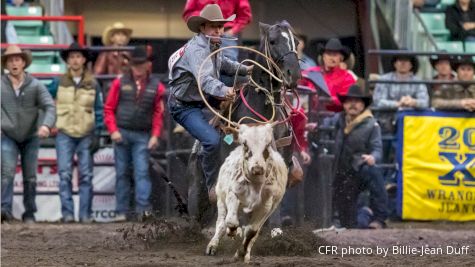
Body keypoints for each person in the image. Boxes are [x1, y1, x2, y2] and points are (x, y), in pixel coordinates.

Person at [168, 4, 252, 199]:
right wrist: (225, 90)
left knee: (235, 114)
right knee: (212, 141)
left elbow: (223, 64)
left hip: (201, 98)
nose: (219, 30)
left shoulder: (213, 45)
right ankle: (212, 184)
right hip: (184, 106)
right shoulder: (197, 50)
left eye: (221, 26)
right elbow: (205, 80)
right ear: (202, 27)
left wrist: (245, 70)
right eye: (214, 26)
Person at [104, 46, 165, 222]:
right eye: (135, 65)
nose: (138, 68)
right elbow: (109, 109)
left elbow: (158, 114)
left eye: (141, 64)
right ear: (131, 66)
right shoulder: (119, 83)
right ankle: (123, 210)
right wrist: (113, 130)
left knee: (140, 172)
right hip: (123, 132)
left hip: (141, 135)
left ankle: (142, 210)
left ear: (147, 65)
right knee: (123, 172)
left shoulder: (157, 87)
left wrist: (155, 135)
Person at [48, 42, 104, 223]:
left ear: (84, 59)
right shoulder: (58, 82)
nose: (75, 60)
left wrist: (98, 133)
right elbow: (44, 100)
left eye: (78, 56)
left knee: (86, 176)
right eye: (72, 57)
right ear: (67, 60)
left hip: (86, 134)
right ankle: (68, 214)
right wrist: (49, 121)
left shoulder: (93, 84)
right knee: (65, 174)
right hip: (64, 133)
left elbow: (99, 110)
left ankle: (85, 215)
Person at [1, 45, 56, 223]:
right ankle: (4, 210)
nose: (14, 63)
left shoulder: (35, 85)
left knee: (30, 175)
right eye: (10, 60)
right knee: (7, 172)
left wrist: (46, 125)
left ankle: (29, 212)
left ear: (24, 63)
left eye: (17, 59)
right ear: (6, 64)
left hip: (31, 136)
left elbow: (50, 106)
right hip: (8, 134)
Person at [326, 85, 388, 229]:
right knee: (349, 221)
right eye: (349, 101)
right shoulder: (338, 119)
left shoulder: (372, 124)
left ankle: (379, 218)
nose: (352, 105)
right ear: (344, 105)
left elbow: (377, 148)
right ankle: (353, 217)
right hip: (340, 169)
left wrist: (373, 157)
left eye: (357, 101)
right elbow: (324, 126)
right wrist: (315, 126)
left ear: (363, 105)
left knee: (373, 174)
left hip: (359, 167)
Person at [182, 0, 252, 62]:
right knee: (196, 58)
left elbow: (245, 15)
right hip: (202, 32)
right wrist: (203, 21)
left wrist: (232, 31)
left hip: (225, 33)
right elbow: (188, 13)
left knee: (228, 63)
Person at [300, 38, 357, 111]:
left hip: (333, 116)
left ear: (341, 58)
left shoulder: (347, 77)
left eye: (335, 55)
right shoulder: (311, 72)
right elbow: (296, 83)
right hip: (310, 114)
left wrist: (328, 100)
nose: (331, 58)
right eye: (329, 54)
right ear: (323, 57)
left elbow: (347, 100)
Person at [94, 22, 133, 96]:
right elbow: (98, 73)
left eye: (123, 34)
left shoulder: (128, 54)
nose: (121, 37)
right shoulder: (106, 53)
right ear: (112, 38)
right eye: (118, 34)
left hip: (126, 88)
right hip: (110, 88)